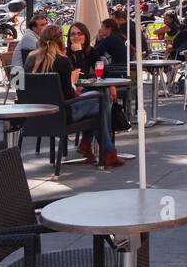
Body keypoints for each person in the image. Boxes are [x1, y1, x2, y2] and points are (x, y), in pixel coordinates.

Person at [24, 24, 123, 168]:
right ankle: (107, 152)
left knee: (97, 104)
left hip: (35, 115)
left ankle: (95, 148)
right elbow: (70, 95)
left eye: (79, 33)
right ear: (61, 40)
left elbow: (23, 86)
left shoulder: (30, 59)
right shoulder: (61, 60)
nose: (75, 37)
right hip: (61, 114)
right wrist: (72, 81)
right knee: (99, 101)